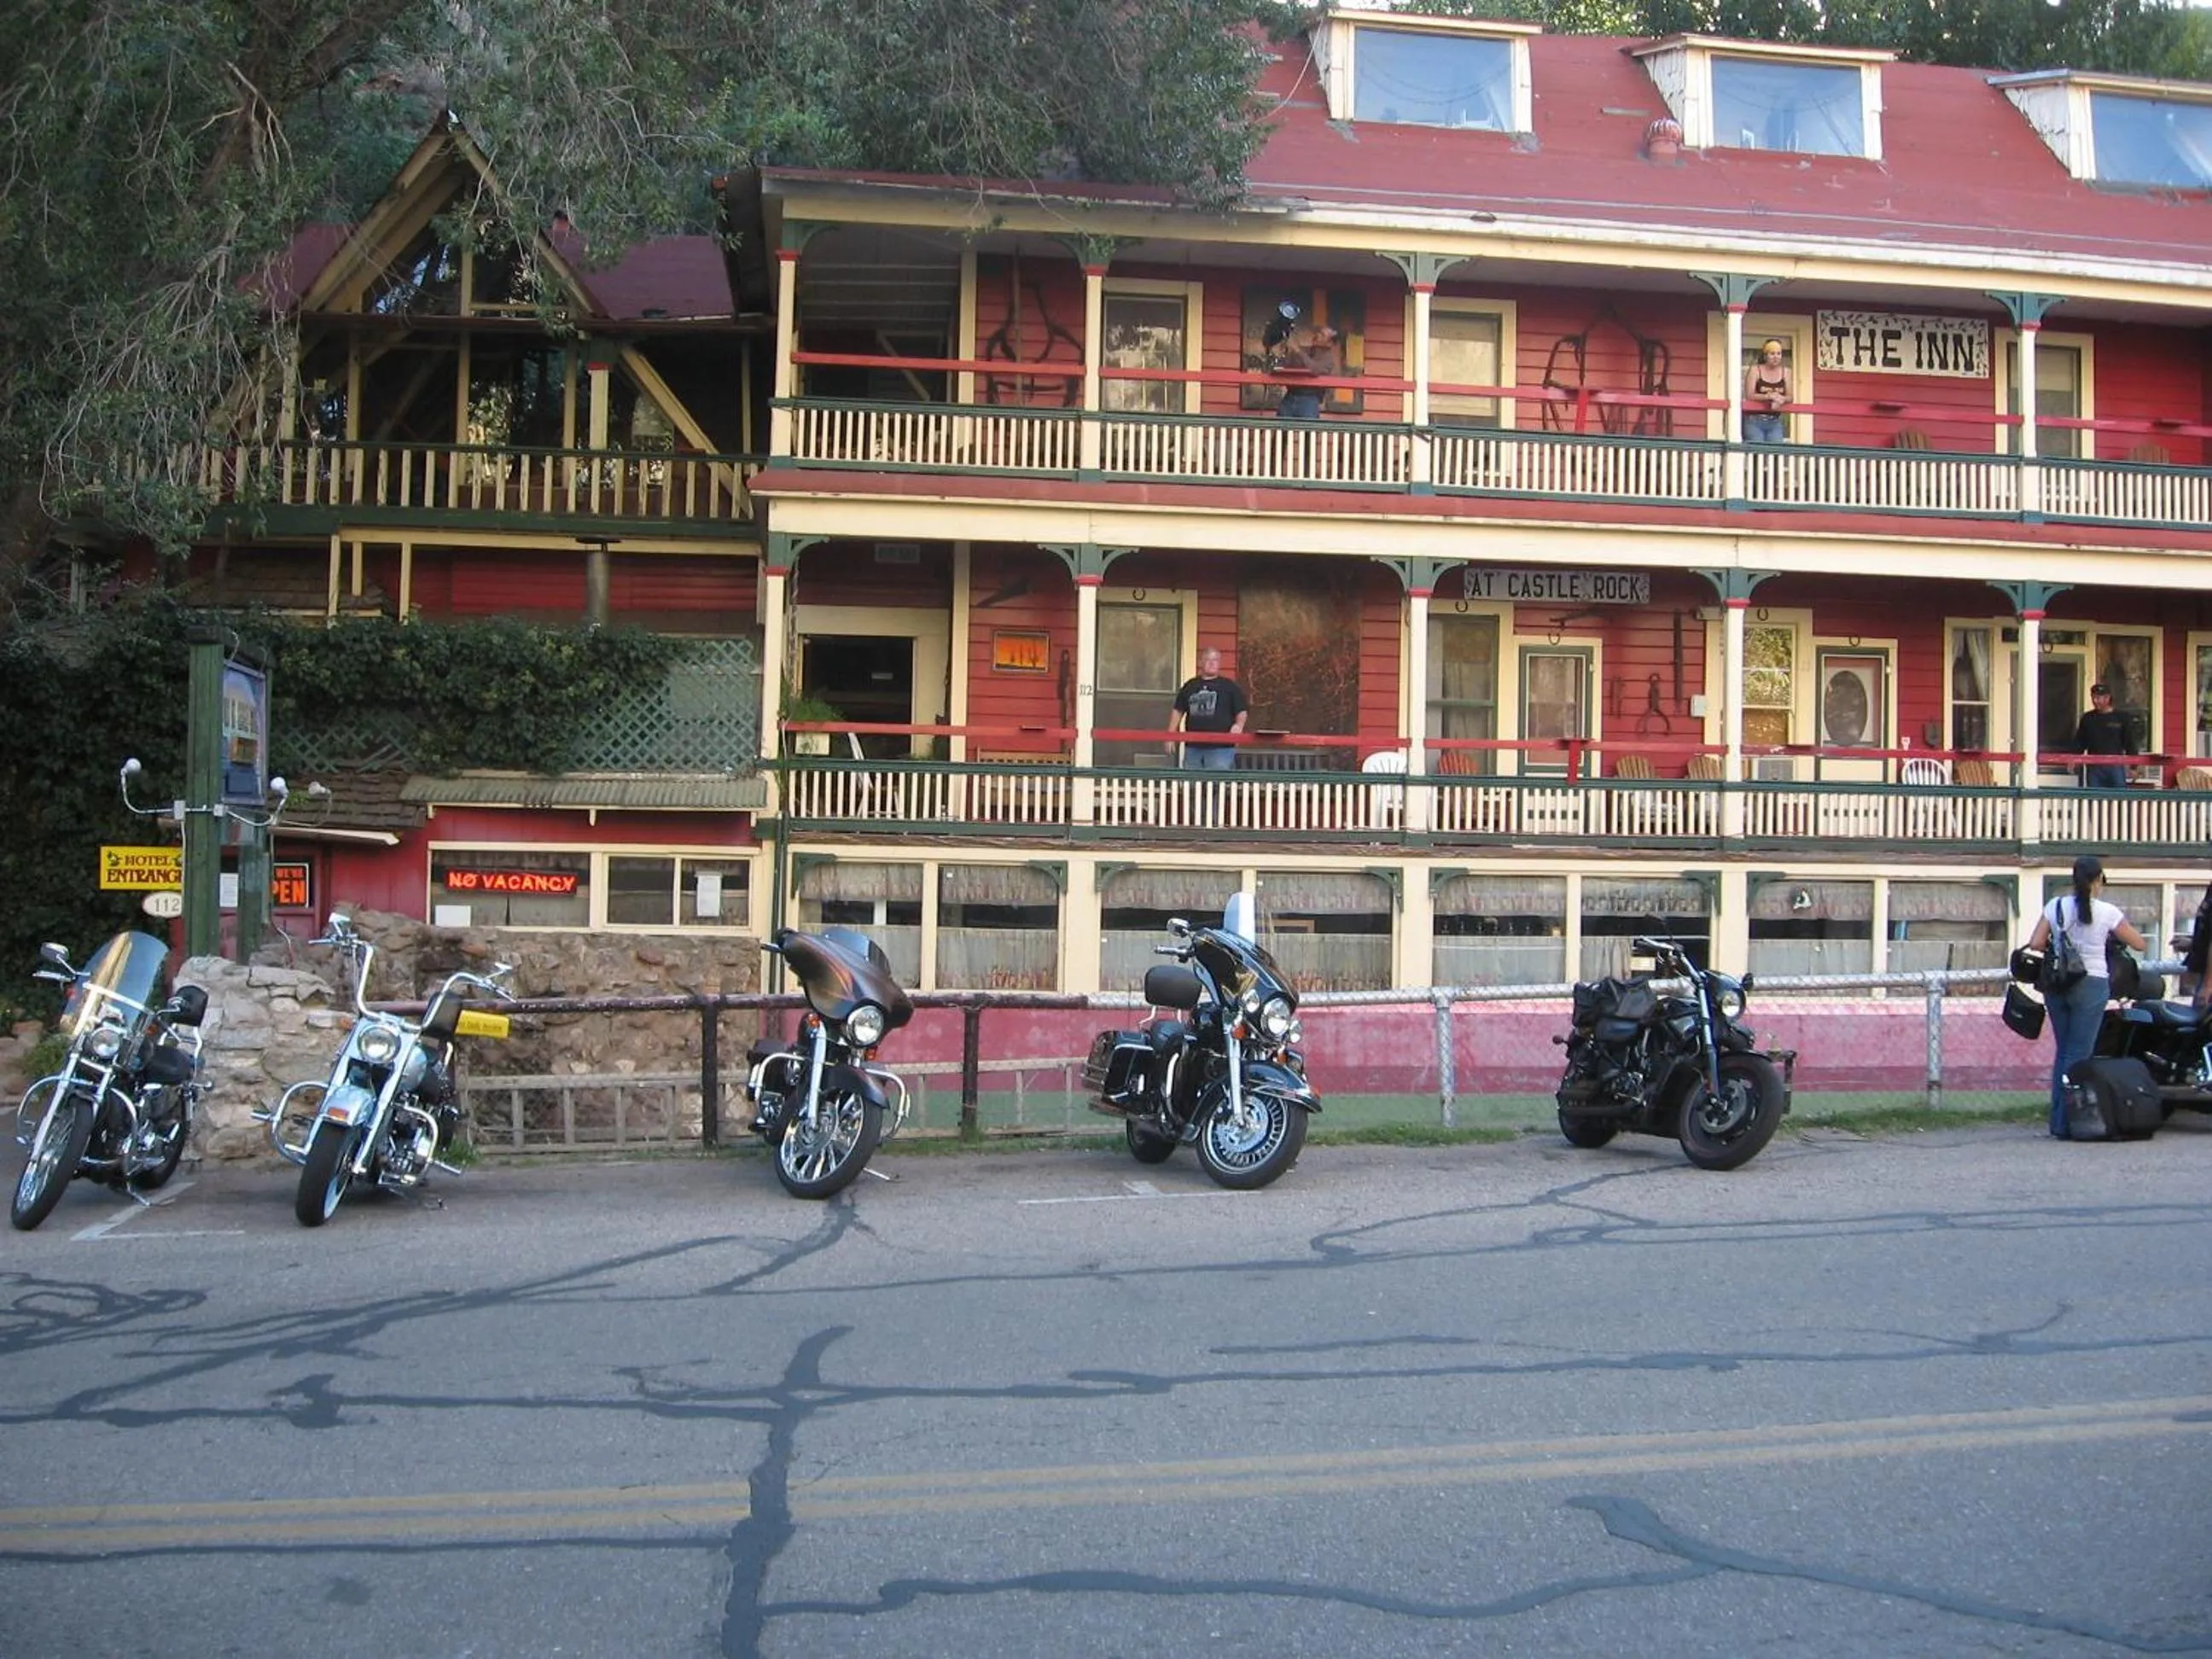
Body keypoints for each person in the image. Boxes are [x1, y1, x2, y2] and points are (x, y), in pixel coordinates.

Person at [2024, 855, 2147, 1137]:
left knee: (2064, 1051)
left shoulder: (2055, 906)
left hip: (2057, 985)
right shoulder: (2107, 912)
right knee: (2080, 1053)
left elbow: (2036, 942)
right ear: (2098, 880)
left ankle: (2057, 1121)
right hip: (2091, 983)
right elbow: (2139, 944)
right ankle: (2073, 1120)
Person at [1173, 647, 1248, 771]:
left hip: (1221, 748)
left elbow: (1242, 710)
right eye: (1208, 659)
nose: (1212, 662)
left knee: (1217, 785)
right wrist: (1170, 734)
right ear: (1200, 662)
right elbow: (1178, 710)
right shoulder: (1190, 686)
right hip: (1193, 747)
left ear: (1219, 664)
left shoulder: (1229, 686)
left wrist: (1239, 726)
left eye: (1215, 660)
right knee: (1192, 785)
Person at [2072, 681, 2135, 789]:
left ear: (2107, 698)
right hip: (2094, 767)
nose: (2095, 701)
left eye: (2098, 698)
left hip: (2116, 765)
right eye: (2093, 698)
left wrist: (2133, 766)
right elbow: (2080, 742)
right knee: (2096, 799)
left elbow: (2130, 742)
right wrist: (2073, 759)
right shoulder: (2088, 718)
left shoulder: (2122, 717)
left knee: (2119, 799)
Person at [1275, 323, 1339, 421]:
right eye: (1318, 332)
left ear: (1330, 343)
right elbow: (1285, 365)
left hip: (1310, 399)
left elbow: (1315, 370)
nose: (1317, 335)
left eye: (1322, 335)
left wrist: (1298, 351)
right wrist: (1284, 351)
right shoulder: (1304, 350)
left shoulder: (1328, 359)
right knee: (1280, 430)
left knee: (1308, 432)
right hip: (1291, 394)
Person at [1743, 339, 1791, 444]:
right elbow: (1749, 395)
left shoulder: (1786, 372)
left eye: (1779, 354)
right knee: (1757, 454)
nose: (1776, 357)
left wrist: (1782, 399)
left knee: (1775, 454)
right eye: (1772, 353)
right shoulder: (1755, 370)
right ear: (1765, 356)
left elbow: (1790, 397)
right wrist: (1770, 396)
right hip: (1754, 420)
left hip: (1774, 420)